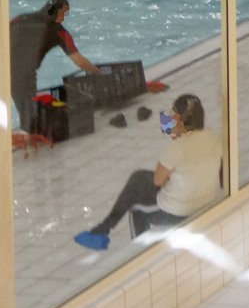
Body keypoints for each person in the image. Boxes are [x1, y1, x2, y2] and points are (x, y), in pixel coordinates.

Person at [74, 94, 222, 250]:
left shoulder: (176, 148)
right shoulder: (212, 135)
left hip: (181, 212)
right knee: (139, 177)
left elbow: (158, 181)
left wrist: (174, 136)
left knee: (134, 203)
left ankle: (136, 248)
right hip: (207, 200)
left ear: (179, 118)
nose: (169, 116)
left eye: (173, 113)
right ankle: (102, 229)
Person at [9, 0, 99, 135]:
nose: (64, 17)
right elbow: (79, 61)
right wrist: (97, 72)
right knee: (29, 114)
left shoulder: (20, 19)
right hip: (25, 76)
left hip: (6, 69)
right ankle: (30, 136)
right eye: (63, 13)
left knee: (24, 109)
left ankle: (27, 134)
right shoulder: (59, 32)